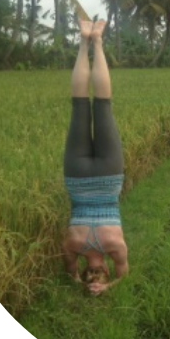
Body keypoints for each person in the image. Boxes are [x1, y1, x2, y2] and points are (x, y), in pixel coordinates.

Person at [61, 19, 129, 296]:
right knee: (79, 106)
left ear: (106, 269)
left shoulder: (116, 247)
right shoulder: (73, 244)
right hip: (77, 179)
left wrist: (107, 286)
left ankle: (97, 39)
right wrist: (80, 281)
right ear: (86, 270)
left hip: (109, 179)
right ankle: (83, 40)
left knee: (102, 105)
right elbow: (69, 270)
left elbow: (124, 274)